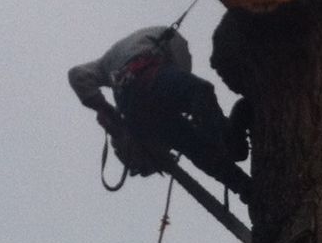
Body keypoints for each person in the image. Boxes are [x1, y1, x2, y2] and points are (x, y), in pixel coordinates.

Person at [68, 25, 250, 199]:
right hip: (145, 81)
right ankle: (227, 141)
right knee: (200, 92)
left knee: (192, 145)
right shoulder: (173, 43)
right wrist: (107, 111)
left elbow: (77, 75)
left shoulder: (106, 64)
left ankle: (246, 188)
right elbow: (183, 87)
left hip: (135, 111)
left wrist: (106, 110)